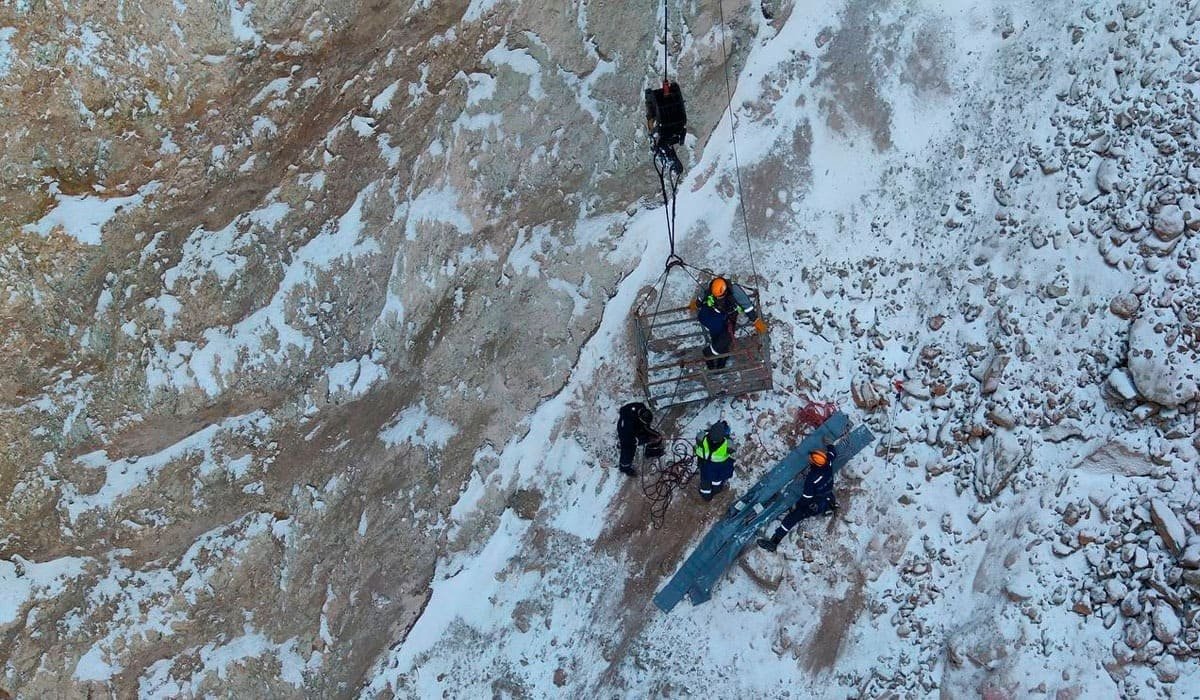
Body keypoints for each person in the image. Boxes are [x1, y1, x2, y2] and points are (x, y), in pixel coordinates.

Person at [757, 446, 839, 552]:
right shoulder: (828, 463)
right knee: (825, 496)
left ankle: (774, 542)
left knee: (793, 517)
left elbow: (807, 497)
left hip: (815, 503)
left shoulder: (812, 478)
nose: (809, 458)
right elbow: (833, 453)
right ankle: (829, 505)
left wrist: (798, 506)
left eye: (811, 459)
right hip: (827, 494)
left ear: (815, 463)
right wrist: (830, 445)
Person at [688, 276, 766, 370]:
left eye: (720, 296)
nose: (718, 298)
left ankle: (718, 360)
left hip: (728, 316)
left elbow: (747, 306)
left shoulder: (735, 291)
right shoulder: (712, 288)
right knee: (719, 338)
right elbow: (701, 297)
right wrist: (696, 304)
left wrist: (756, 320)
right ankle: (714, 359)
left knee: (724, 339)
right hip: (714, 315)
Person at [616, 401, 664, 477]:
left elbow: (646, 427)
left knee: (657, 436)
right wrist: (647, 439)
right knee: (628, 450)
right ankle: (624, 468)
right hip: (627, 435)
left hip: (637, 425)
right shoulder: (625, 427)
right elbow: (632, 441)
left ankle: (649, 452)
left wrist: (653, 436)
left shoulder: (641, 407)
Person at [695, 419, 735, 501]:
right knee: (717, 482)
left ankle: (706, 497)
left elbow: (699, 437)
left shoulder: (702, 439)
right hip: (718, 470)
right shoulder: (727, 445)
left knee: (705, 484)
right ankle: (716, 491)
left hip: (705, 467)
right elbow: (732, 449)